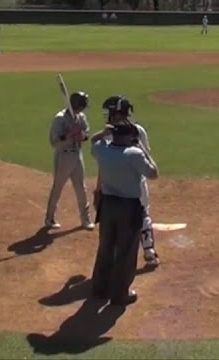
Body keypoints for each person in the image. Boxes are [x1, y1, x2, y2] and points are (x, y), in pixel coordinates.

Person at [90, 120, 158, 306]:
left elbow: (93, 141)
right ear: (128, 136)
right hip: (128, 207)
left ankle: (100, 288)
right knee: (126, 251)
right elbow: (153, 173)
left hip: (108, 206)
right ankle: (120, 294)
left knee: (106, 247)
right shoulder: (134, 154)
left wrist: (103, 133)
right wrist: (143, 149)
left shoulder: (102, 150)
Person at [92, 96, 159, 268]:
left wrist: (98, 189)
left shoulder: (108, 133)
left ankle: (116, 260)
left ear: (116, 113)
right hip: (138, 183)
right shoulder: (139, 130)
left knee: (116, 225)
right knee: (144, 215)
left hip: (113, 189)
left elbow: (103, 162)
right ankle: (149, 251)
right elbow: (147, 160)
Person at [44, 92, 94, 231]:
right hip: (63, 157)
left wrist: (81, 134)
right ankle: (50, 218)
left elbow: (86, 135)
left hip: (77, 155)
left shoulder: (81, 117)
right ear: (77, 105)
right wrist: (69, 134)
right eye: (82, 106)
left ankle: (86, 219)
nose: (83, 110)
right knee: (58, 187)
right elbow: (54, 142)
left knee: (81, 188)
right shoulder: (60, 119)